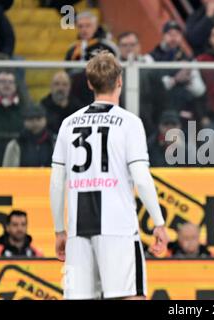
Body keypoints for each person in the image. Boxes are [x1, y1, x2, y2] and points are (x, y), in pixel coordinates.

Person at [49, 51, 169, 300]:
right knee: (130, 296)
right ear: (120, 81)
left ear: (90, 83)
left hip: (78, 230)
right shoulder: (129, 123)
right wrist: (158, 222)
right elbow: (142, 178)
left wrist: (60, 230)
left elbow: (57, 183)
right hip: (118, 227)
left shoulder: (68, 124)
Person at [0, 70, 25, 166]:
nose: (7, 85)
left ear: (15, 86)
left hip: (17, 163)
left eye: (10, 82)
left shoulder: (25, 109)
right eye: (2, 81)